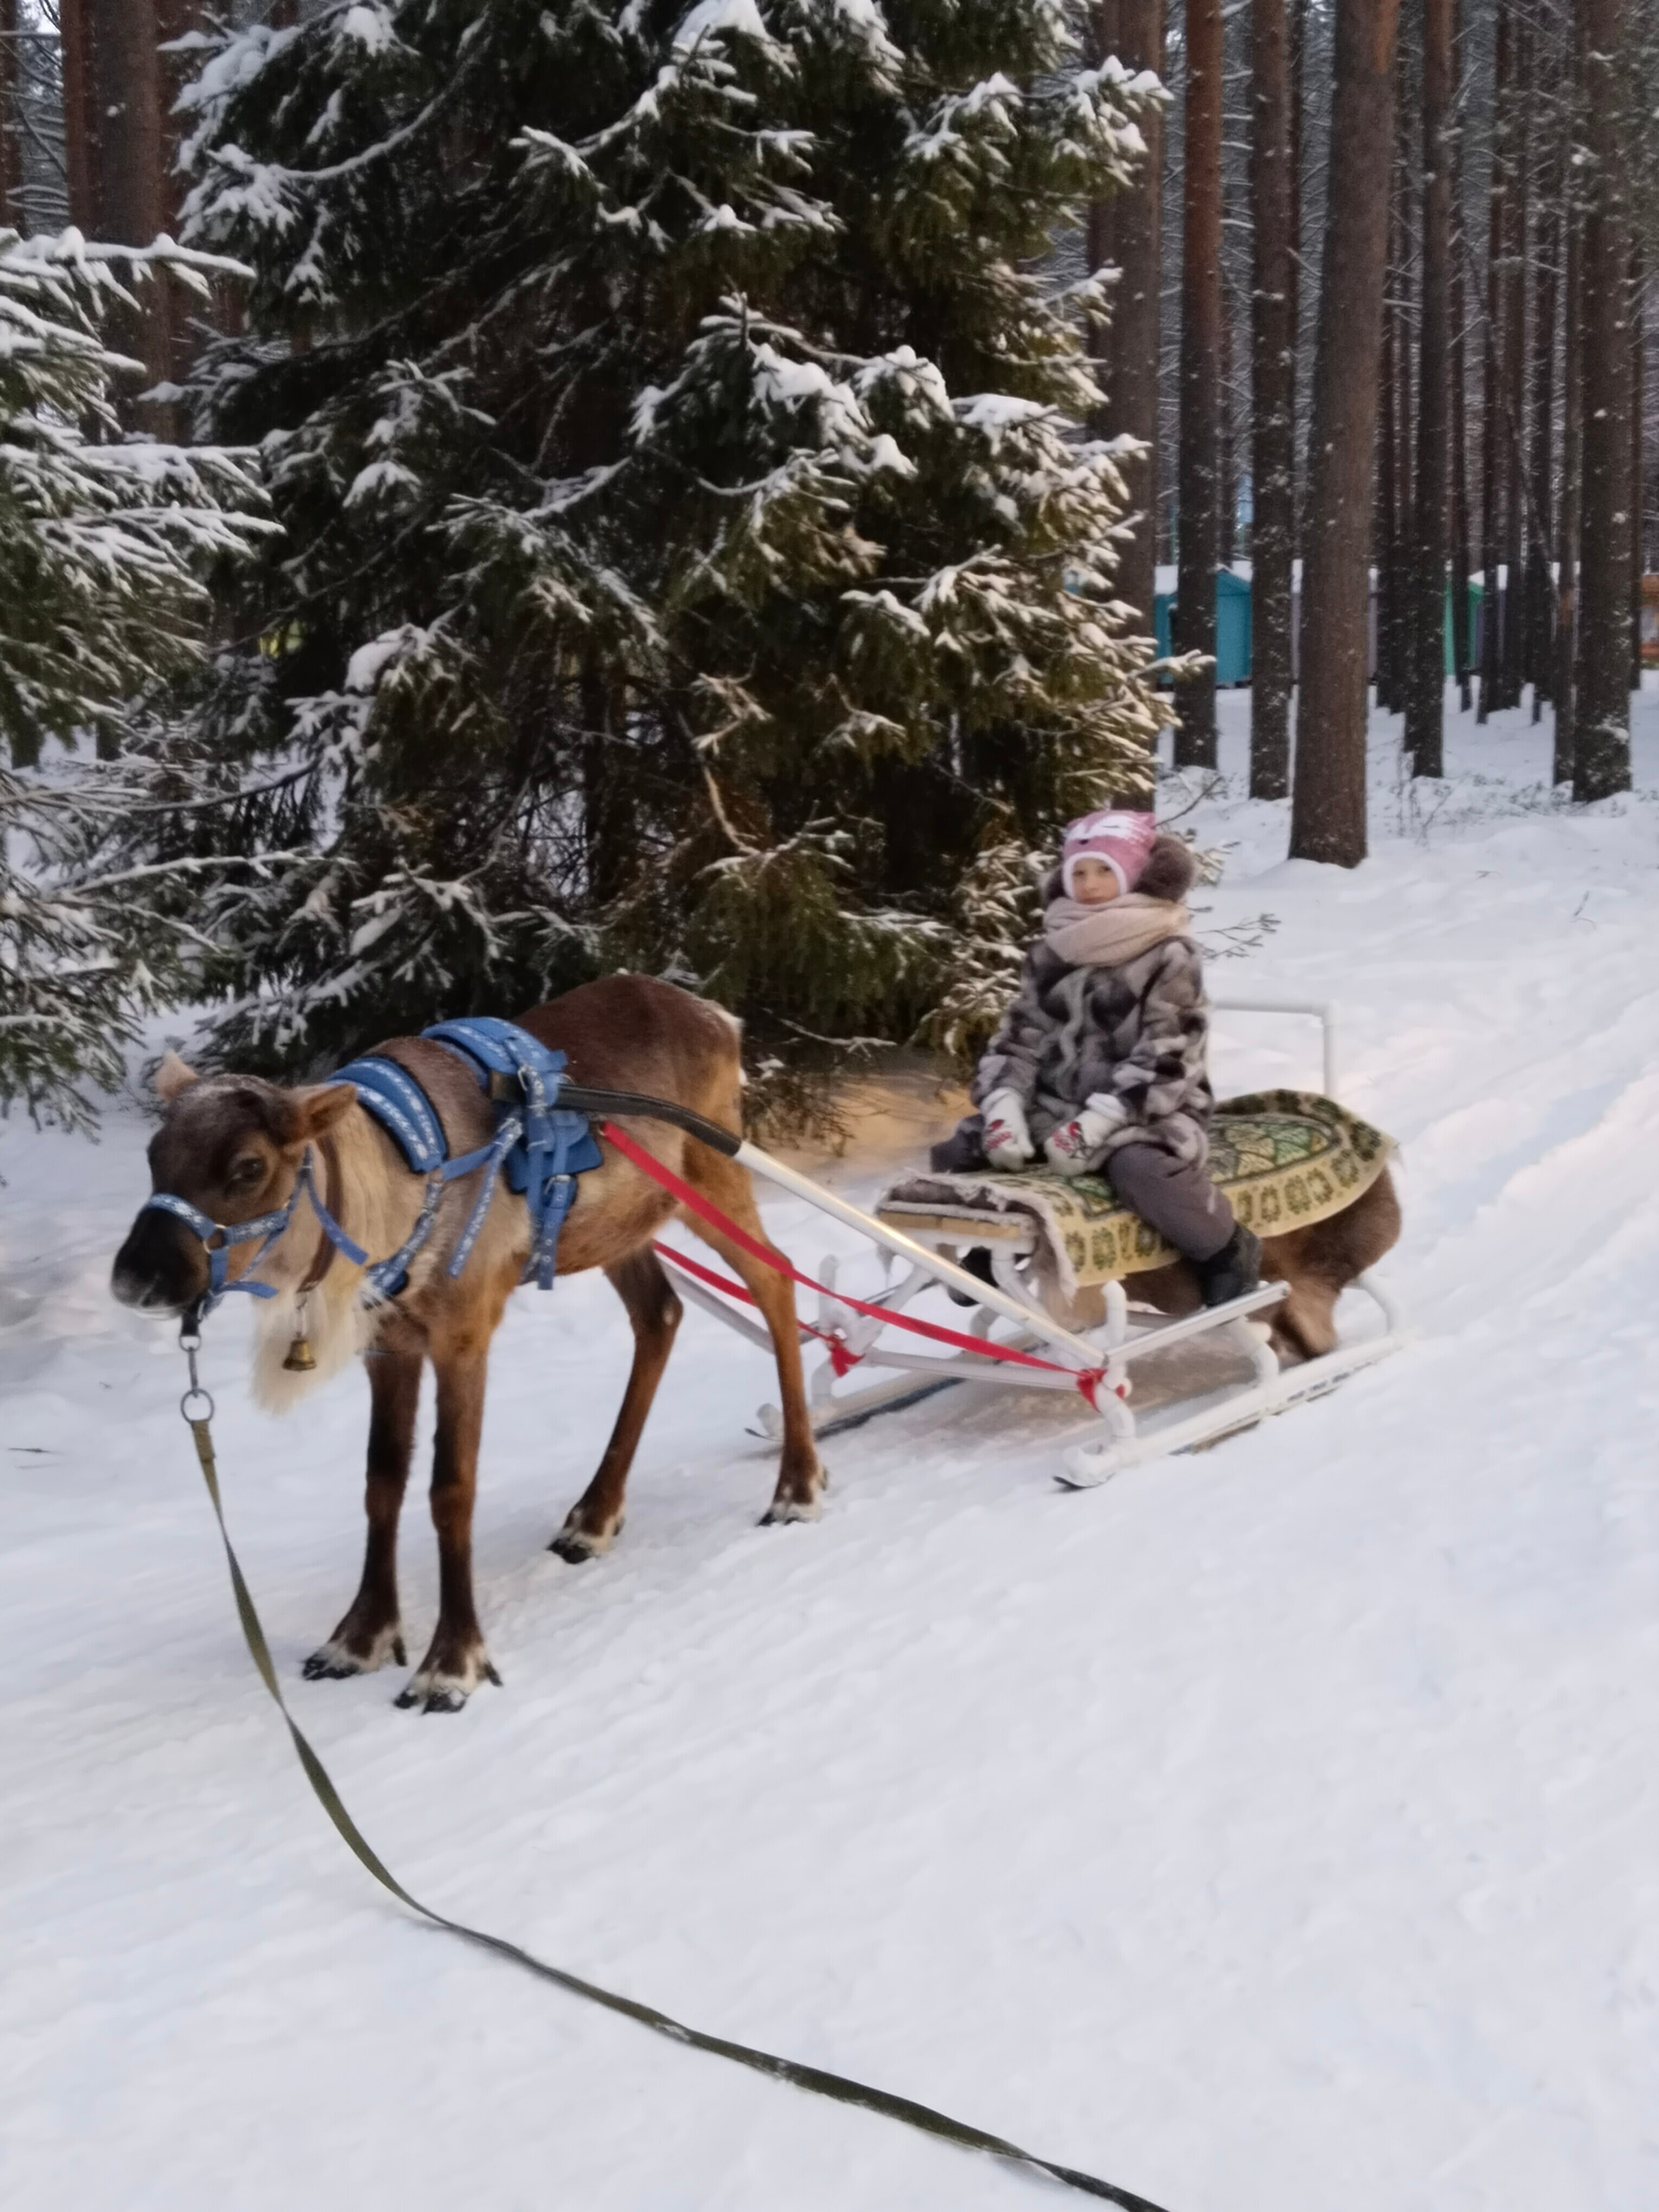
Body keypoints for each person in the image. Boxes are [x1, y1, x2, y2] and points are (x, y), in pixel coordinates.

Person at [933, 808, 1261, 1307]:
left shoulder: (1168, 952)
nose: (1089, 884)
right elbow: (1019, 1037)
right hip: (1054, 1107)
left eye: (1105, 870)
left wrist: (1099, 1121)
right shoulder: (1051, 952)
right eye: (1079, 872)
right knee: (962, 1148)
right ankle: (998, 1244)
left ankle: (1223, 1248)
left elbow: (1170, 1053)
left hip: (1147, 1107)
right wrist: (1004, 1106)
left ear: (1133, 875)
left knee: (1138, 1169)